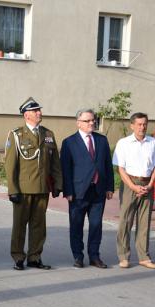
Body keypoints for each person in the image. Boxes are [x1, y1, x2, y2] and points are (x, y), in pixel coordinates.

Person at [4, 97, 62, 270]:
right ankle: (18, 257)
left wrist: (58, 184)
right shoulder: (16, 134)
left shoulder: (48, 134)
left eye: (39, 110)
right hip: (23, 189)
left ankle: (35, 257)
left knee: (39, 226)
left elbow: (55, 163)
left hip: (42, 188)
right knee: (20, 225)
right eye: (36, 111)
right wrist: (12, 189)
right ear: (26, 115)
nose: (39, 113)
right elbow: (10, 165)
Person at [61, 109, 114, 269]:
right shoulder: (69, 142)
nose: (92, 123)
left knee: (96, 225)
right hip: (78, 192)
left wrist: (110, 187)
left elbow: (107, 165)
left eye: (93, 120)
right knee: (76, 225)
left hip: (98, 191)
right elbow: (65, 168)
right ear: (78, 123)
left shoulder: (102, 140)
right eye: (88, 121)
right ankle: (78, 256)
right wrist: (68, 191)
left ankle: (94, 256)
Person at [113, 113, 155, 269]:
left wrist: (151, 184)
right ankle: (124, 256)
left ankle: (144, 256)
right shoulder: (124, 143)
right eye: (139, 124)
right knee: (126, 221)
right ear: (132, 125)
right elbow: (120, 168)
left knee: (144, 221)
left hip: (147, 184)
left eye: (145, 124)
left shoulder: (153, 142)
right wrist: (133, 187)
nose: (142, 127)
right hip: (130, 183)